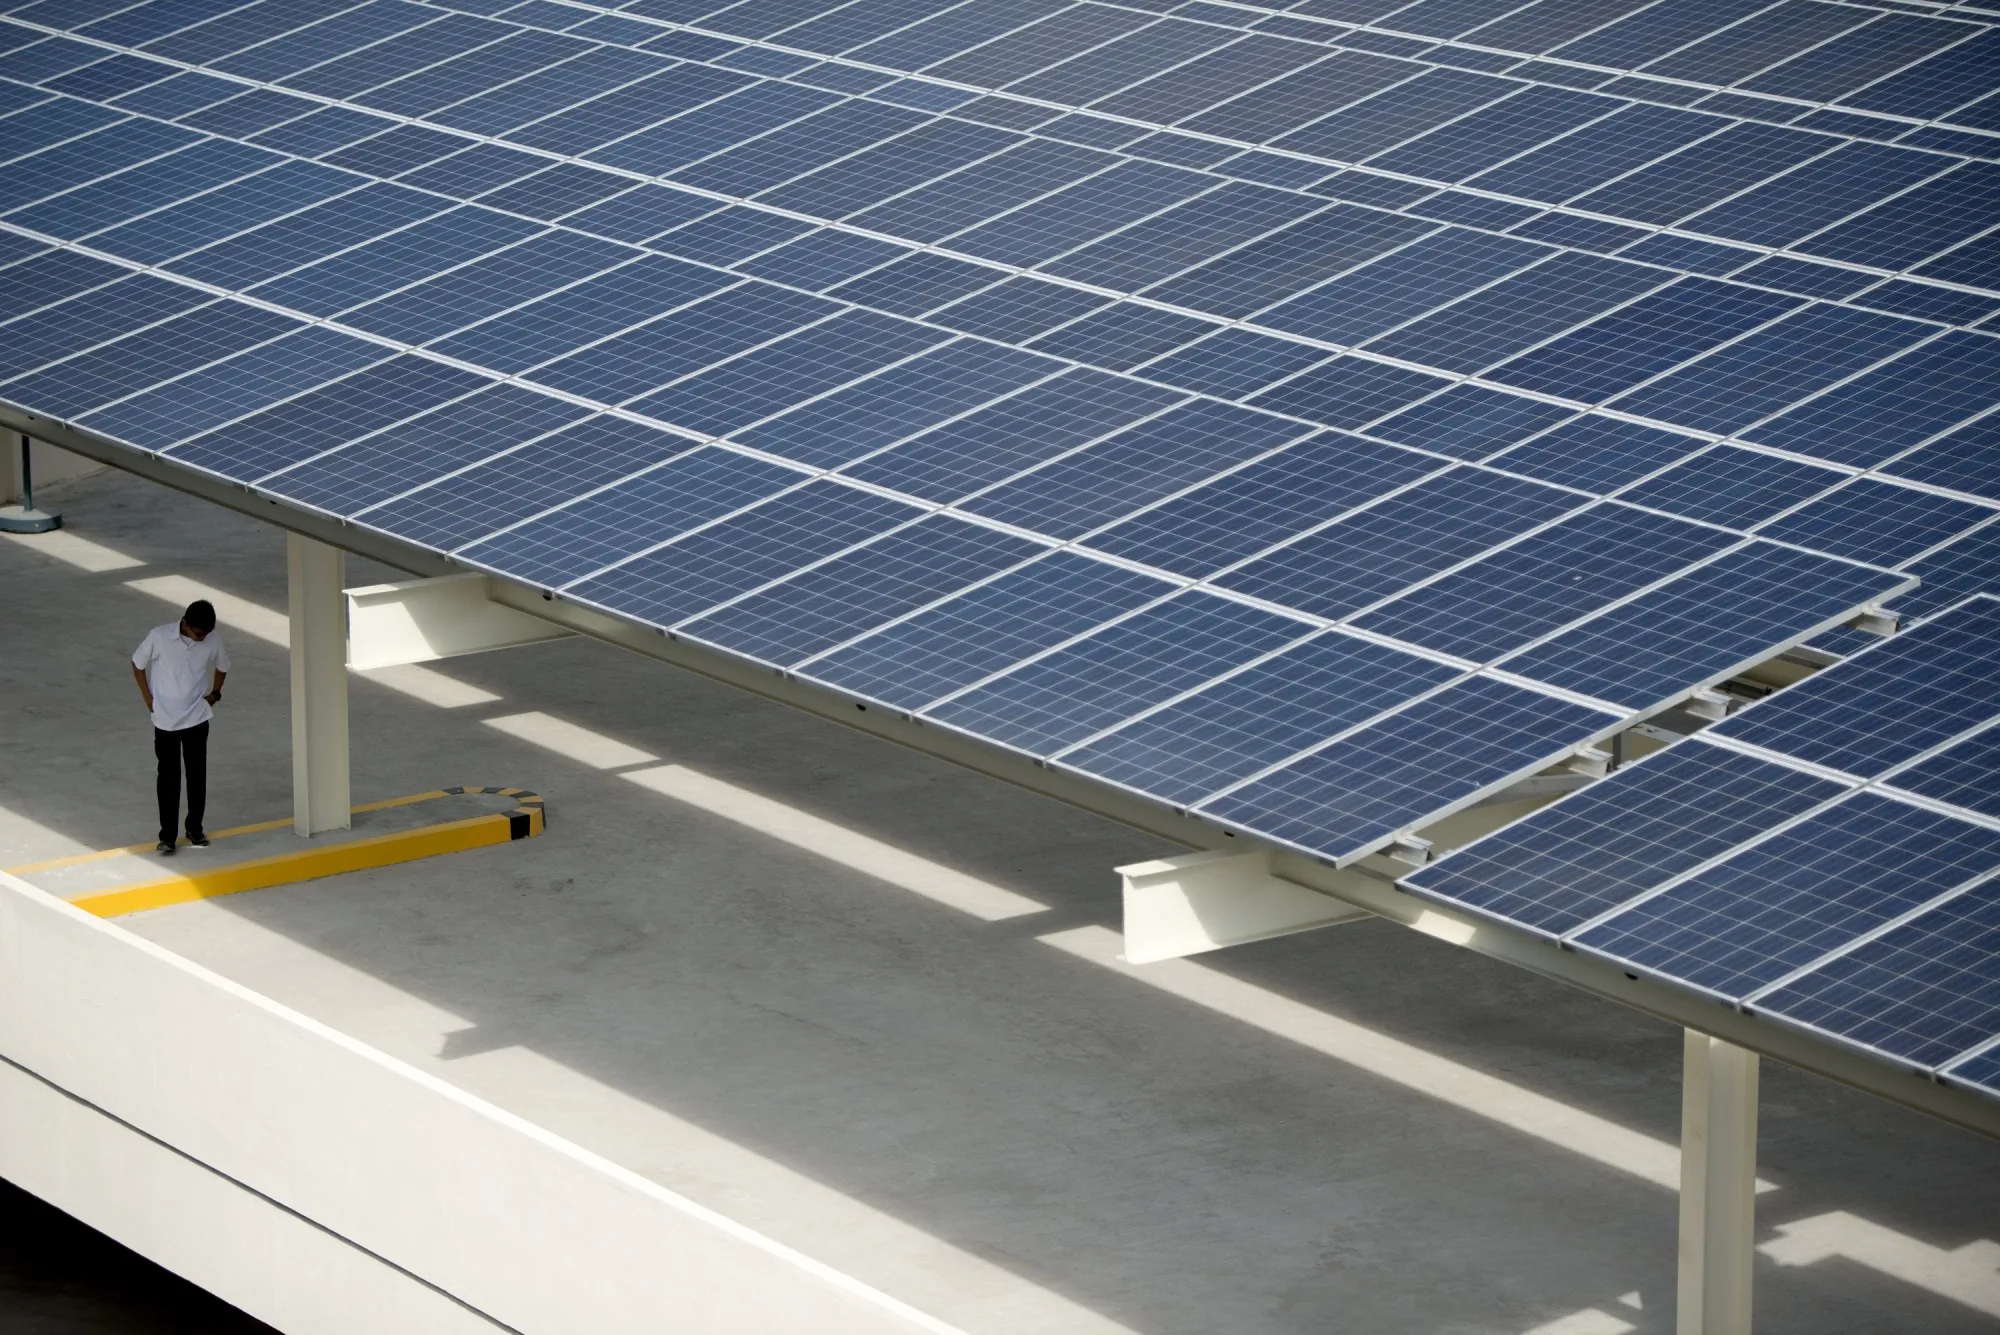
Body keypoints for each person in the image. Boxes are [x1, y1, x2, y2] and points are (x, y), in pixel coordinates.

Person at [132, 600, 229, 856]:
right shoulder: (159, 636)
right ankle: (167, 837)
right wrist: (148, 698)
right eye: (199, 634)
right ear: (185, 624)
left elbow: (223, 666)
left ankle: (195, 828)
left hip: (197, 718)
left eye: (206, 634)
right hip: (165, 722)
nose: (202, 639)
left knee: (197, 776)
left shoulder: (212, 639)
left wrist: (215, 695)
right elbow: (137, 663)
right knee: (168, 779)